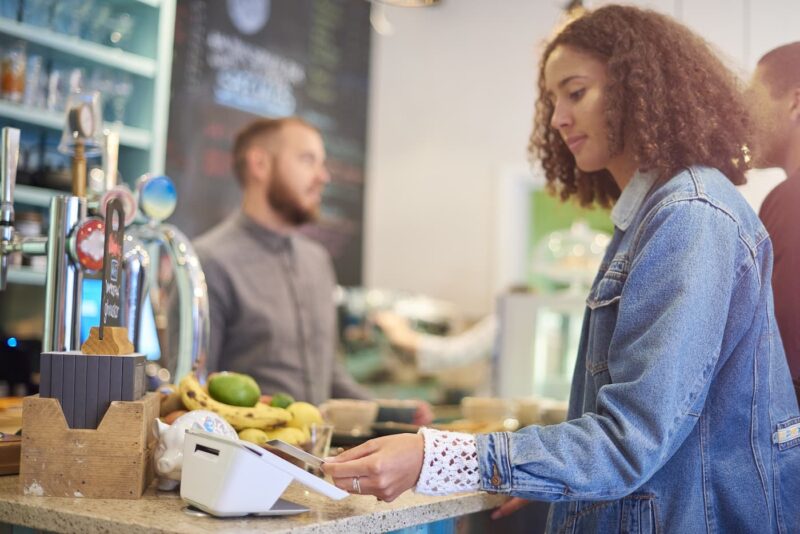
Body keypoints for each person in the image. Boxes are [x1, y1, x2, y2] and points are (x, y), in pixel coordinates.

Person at [322, 6, 800, 533]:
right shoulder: (653, 214)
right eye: (553, 99)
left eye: (576, 93)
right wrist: (538, 476)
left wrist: (435, 457)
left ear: (640, 89)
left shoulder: (689, 215)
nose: (557, 119)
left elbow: (628, 440)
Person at [194, 118, 379, 407]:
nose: (323, 177)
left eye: (322, 163)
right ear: (260, 164)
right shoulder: (208, 262)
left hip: (322, 437)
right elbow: (193, 390)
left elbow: (331, 376)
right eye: (308, 160)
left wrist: (397, 415)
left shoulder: (318, 261)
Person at [747, 42, 800, 403]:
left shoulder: (792, 198)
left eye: (754, 102)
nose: (744, 118)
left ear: (795, 102)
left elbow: (782, 362)